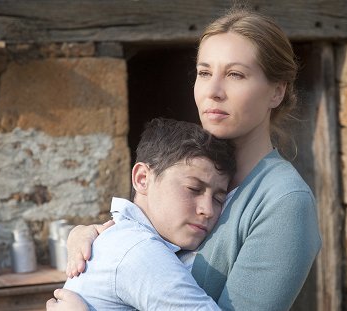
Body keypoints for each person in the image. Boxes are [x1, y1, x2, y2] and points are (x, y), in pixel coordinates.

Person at [49, 7, 322, 311]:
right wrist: (91, 238)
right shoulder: (184, 165)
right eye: (204, 73)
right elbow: (136, 253)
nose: (213, 91)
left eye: (235, 74)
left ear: (276, 92)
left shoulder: (284, 201)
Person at [55, 118, 236, 310]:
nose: (207, 210)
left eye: (218, 199)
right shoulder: (138, 251)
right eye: (193, 189)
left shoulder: (126, 239)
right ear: (142, 179)